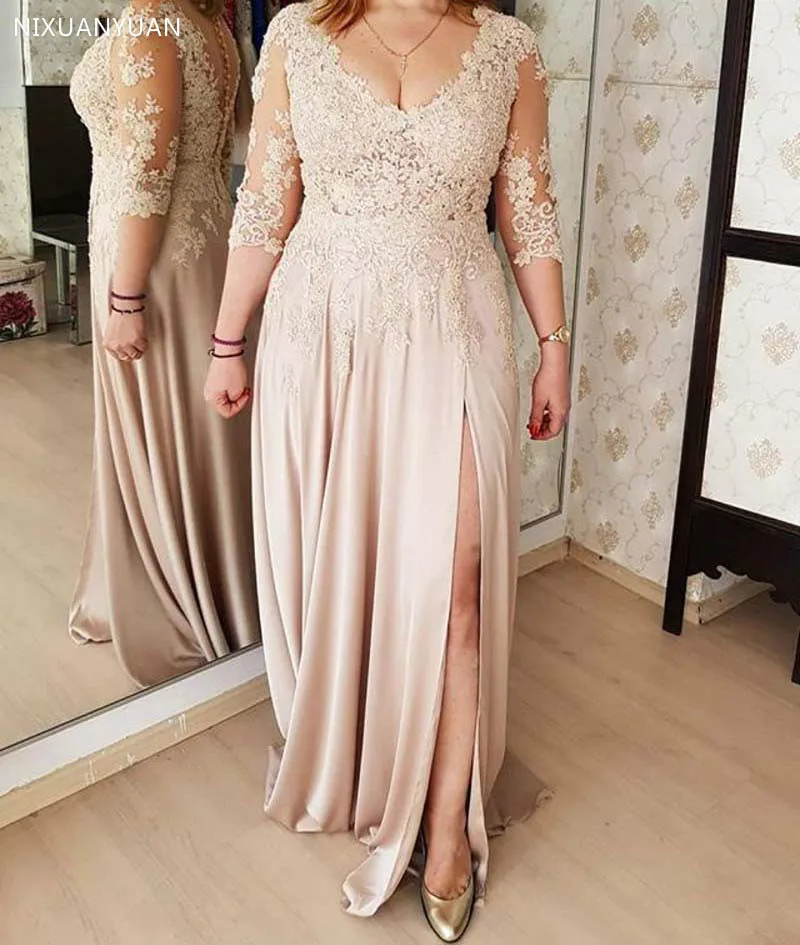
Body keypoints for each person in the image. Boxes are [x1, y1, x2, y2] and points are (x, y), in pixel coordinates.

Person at [205, 0, 570, 938]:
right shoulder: (297, 34)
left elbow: (528, 214)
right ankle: (368, 758)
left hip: (457, 327)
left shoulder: (509, 51)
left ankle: (445, 827)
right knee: (349, 561)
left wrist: (554, 347)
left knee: (457, 579)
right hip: (322, 329)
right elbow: (266, 201)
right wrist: (228, 339)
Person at [69, 0, 260, 686]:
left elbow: (149, 168)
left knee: (170, 430)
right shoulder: (215, 24)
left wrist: (125, 297)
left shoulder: (153, 20)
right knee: (197, 431)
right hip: (202, 245)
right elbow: (233, 136)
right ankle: (224, 587)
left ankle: (181, 604)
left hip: (150, 262)